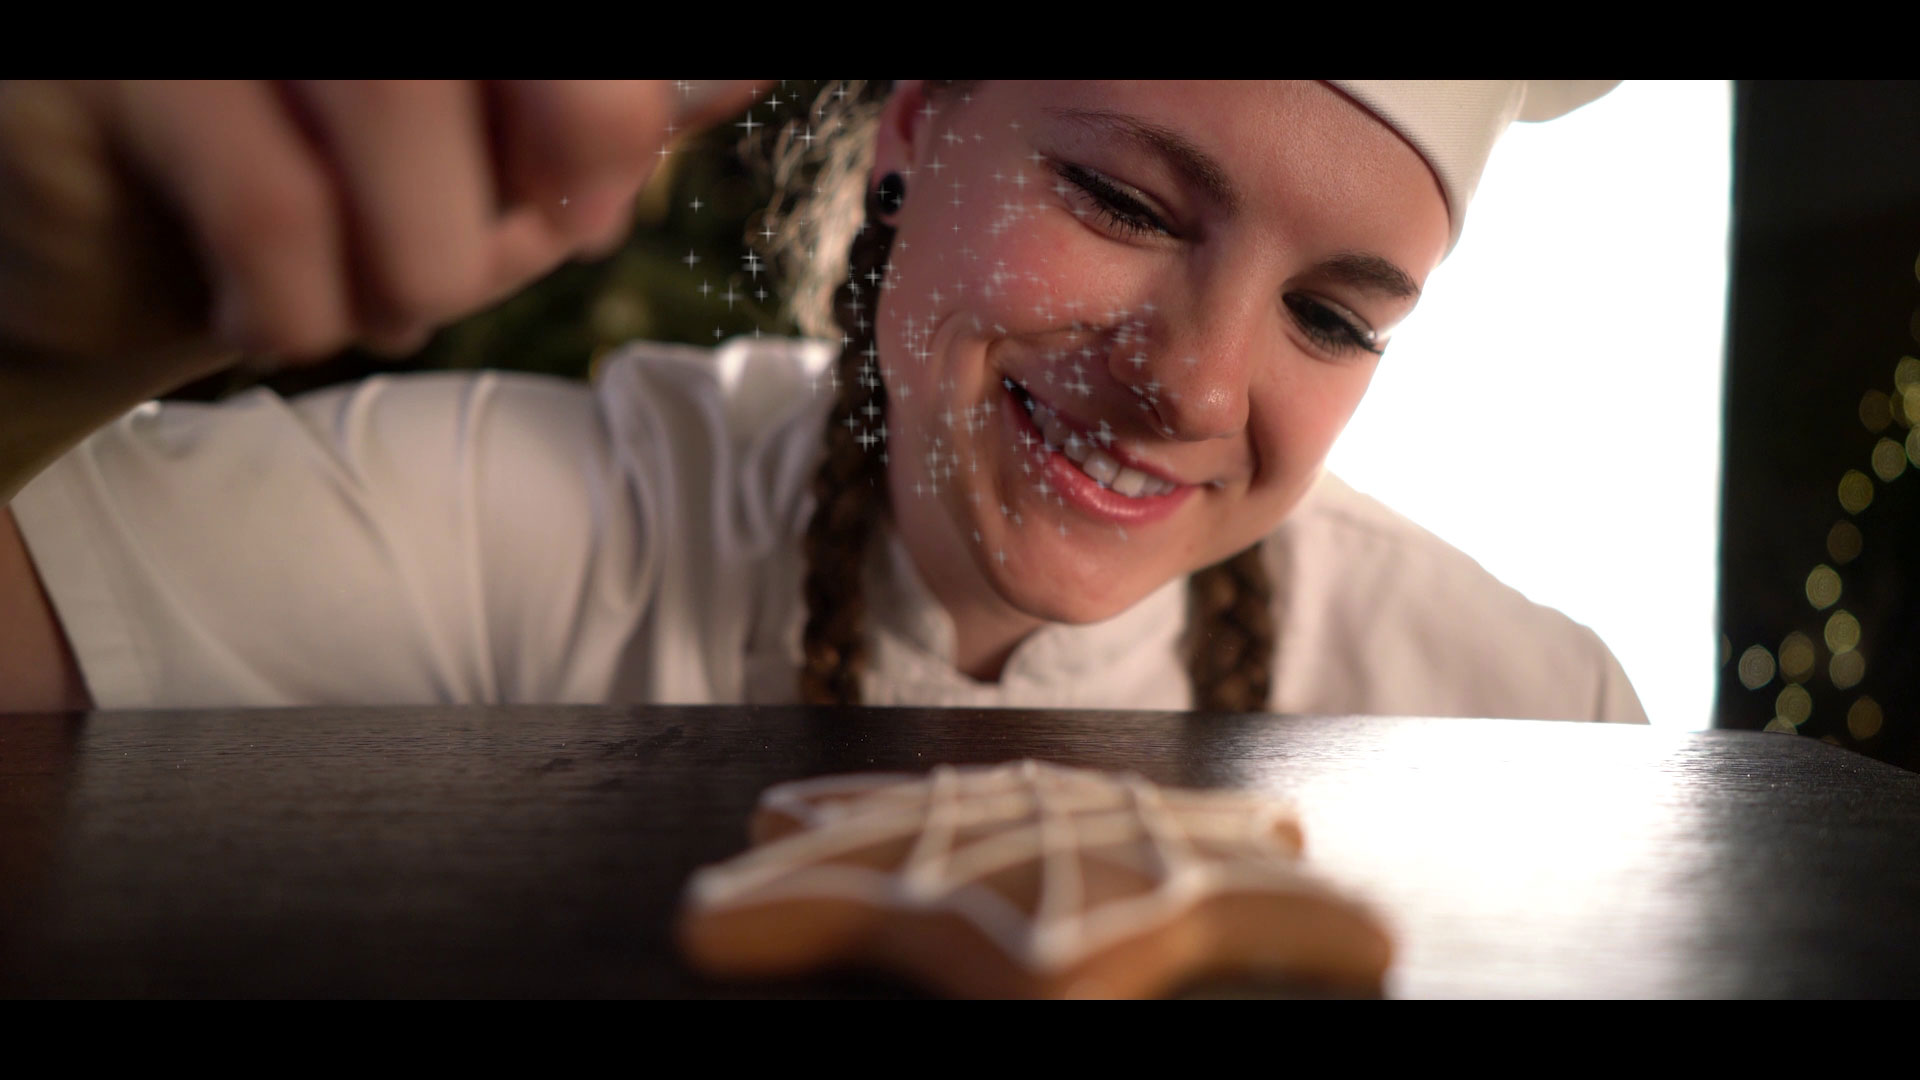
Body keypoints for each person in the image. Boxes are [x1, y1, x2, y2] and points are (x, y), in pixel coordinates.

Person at [0, 80, 1647, 723]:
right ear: (914, 126)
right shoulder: (564, 524)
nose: (1201, 386)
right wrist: (54, 319)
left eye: (1332, 314)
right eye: (1123, 204)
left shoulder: (1528, 713)